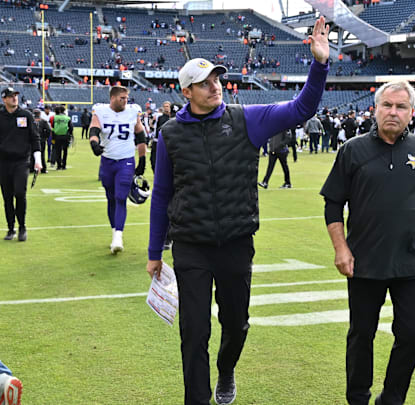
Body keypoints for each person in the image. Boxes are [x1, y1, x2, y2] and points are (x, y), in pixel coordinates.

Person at [145, 16, 329, 405]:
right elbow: (161, 195)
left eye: (217, 80)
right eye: (205, 83)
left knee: (236, 325)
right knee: (193, 333)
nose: (216, 86)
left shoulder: (247, 119)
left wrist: (319, 63)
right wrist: (153, 252)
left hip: (235, 243)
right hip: (191, 245)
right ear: (186, 92)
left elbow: (301, 109)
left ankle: (226, 369)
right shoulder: (170, 134)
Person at [320, 80, 415, 405]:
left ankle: (391, 399)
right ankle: (358, 398)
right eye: (387, 105)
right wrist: (341, 248)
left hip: (413, 263)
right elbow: (333, 203)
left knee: (412, 335)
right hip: (364, 262)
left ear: (412, 112)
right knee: (361, 335)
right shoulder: (353, 150)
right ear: (375, 108)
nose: (393, 112)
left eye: (401, 107)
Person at [88, 86, 148, 254]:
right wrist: (93, 142)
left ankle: (118, 236)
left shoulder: (132, 111)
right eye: (122, 98)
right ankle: (115, 231)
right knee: (111, 198)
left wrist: (142, 159)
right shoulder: (100, 110)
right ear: (113, 98)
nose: (125, 100)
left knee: (121, 196)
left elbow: (141, 135)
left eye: (126, 98)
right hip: (107, 160)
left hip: (126, 160)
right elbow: (94, 128)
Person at [0, 87, 42, 242]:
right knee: (7, 197)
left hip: (21, 161)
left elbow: (35, 138)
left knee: (20, 193)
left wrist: (38, 160)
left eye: (15, 96)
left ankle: (22, 226)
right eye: (10, 96)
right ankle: (11, 228)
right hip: (3, 162)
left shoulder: (26, 115)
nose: (14, 98)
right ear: (4, 99)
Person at [33, 109, 51, 173]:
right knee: (42, 154)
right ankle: (43, 169)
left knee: (32, 154)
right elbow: (48, 130)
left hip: (32, 140)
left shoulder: (31, 121)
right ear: (40, 114)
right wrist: (45, 137)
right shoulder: (43, 121)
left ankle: (32, 168)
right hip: (41, 140)